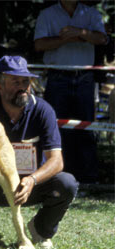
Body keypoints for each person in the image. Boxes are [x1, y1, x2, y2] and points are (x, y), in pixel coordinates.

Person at [0, 55, 78, 249]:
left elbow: (57, 161)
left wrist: (32, 180)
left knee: (67, 183)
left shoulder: (43, 110)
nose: (23, 87)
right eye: (16, 82)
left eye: (26, 81)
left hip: (27, 187)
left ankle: (40, 230)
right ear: (0, 86)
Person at [34, 0, 108, 184]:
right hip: (57, 76)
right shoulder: (47, 14)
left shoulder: (91, 13)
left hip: (85, 78)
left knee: (86, 127)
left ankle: (89, 178)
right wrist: (67, 38)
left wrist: (80, 33)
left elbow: (103, 39)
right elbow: (39, 45)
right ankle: (55, 176)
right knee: (55, 128)